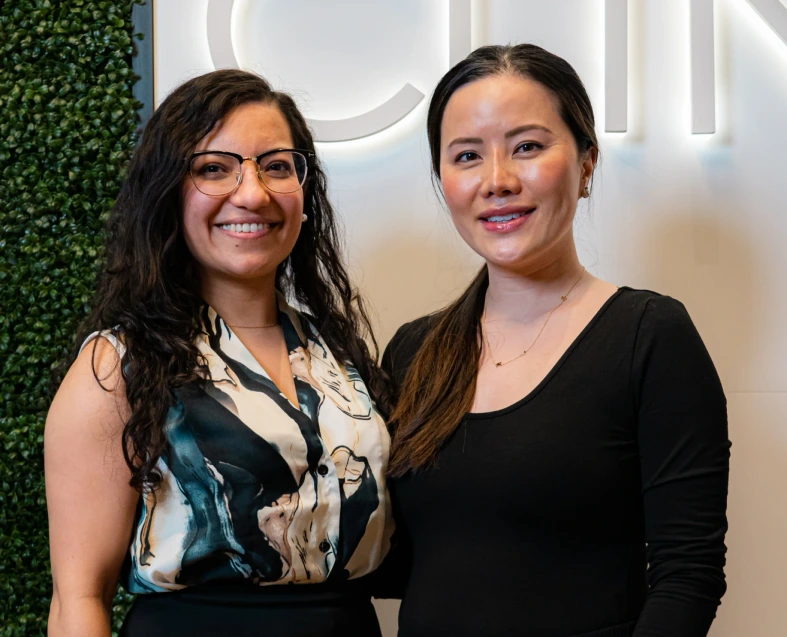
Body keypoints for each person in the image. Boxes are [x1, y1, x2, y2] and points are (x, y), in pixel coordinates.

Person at [381, 44, 730, 637]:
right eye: (467, 155)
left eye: (528, 147)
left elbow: (688, 574)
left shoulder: (649, 336)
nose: (498, 180)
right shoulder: (415, 352)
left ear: (586, 162)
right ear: (443, 181)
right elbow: (400, 563)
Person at [45, 69, 393, 637]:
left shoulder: (340, 354)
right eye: (214, 168)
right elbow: (79, 597)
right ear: (167, 193)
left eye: (276, 166)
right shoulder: (117, 365)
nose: (252, 193)